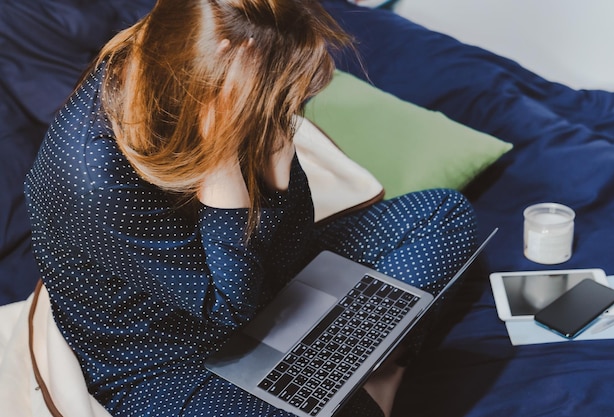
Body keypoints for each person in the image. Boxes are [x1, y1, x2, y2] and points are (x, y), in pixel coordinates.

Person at [24, 0, 478, 415]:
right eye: (280, 105)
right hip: (168, 356)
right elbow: (231, 308)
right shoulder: (91, 175)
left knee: (443, 214)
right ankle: (360, 379)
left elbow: (288, 252)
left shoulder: (210, 73)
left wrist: (276, 165)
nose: (290, 114)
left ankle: (342, 378)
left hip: (262, 284)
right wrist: (223, 169)